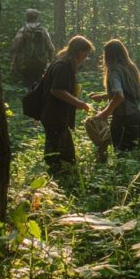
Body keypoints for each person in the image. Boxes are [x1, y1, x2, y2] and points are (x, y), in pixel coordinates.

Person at [89, 39, 140, 157]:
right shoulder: (131, 67)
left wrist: (104, 114)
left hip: (124, 121)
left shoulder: (114, 70)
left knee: (122, 157)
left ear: (108, 55)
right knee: (139, 158)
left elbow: (119, 96)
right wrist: (104, 96)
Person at [41, 35, 94, 178]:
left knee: (61, 151)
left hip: (57, 115)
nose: (86, 56)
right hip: (54, 115)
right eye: (85, 52)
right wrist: (80, 104)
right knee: (61, 155)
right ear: (78, 51)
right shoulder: (63, 66)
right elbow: (57, 90)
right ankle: (57, 179)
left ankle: (57, 178)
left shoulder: (65, 63)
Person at [11, 9, 56, 91]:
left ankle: (29, 99)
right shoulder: (43, 30)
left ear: (27, 17)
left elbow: (15, 47)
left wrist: (14, 62)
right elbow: (51, 48)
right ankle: (38, 101)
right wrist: (50, 63)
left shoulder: (23, 30)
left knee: (28, 85)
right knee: (40, 84)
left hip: (26, 63)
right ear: (37, 18)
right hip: (41, 63)